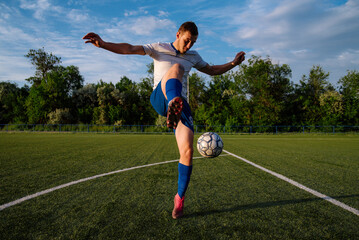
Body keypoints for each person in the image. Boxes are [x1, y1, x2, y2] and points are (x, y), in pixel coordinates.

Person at [83, 21, 245, 219]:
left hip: (180, 105)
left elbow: (212, 70)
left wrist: (233, 64)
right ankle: (172, 103)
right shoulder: (159, 48)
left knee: (187, 151)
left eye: (193, 43)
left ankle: (179, 199)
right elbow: (129, 49)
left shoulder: (193, 57)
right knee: (176, 68)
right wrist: (104, 44)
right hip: (161, 98)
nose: (189, 46)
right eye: (186, 41)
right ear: (178, 34)